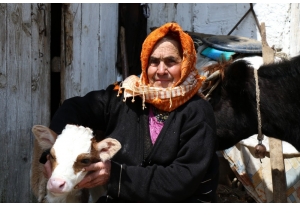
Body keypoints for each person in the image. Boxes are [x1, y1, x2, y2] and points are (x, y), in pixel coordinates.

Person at [42, 22, 219, 203]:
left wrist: (116, 175)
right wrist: (52, 154)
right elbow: (74, 108)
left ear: (186, 64)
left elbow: (182, 178)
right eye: (154, 61)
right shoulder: (126, 97)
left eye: (171, 61)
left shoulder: (198, 112)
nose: (160, 70)